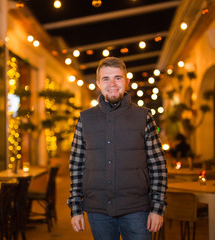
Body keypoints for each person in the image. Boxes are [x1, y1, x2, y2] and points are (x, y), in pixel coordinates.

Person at [67, 57, 167, 240]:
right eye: (106, 79)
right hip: (98, 210)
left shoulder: (144, 116)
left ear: (127, 81)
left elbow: (158, 165)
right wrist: (76, 208)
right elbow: (76, 165)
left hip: (137, 209)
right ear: (98, 83)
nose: (112, 84)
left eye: (118, 78)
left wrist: (157, 208)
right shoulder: (85, 119)